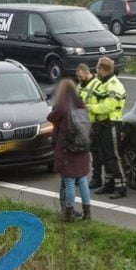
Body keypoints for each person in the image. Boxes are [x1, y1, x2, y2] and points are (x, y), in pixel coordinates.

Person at [47, 79, 91, 222]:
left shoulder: (62, 106)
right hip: (82, 147)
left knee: (69, 181)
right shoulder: (81, 104)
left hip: (68, 149)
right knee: (83, 180)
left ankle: (68, 213)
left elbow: (51, 117)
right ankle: (87, 213)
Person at [89, 57, 127, 199]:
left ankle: (121, 186)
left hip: (111, 123)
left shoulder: (114, 85)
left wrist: (89, 108)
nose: (96, 70)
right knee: (104, 156)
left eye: (98, 68)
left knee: (113, 157)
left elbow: (108, 106)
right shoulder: (102, 83)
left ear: (103, 69)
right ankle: (109, 184)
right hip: (101, 124)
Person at [76, 63, 103, 190]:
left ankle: (97, 178)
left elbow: (101, 104)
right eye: (78, 77)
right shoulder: (80, 85)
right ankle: (80, 176)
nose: (79, 79)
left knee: (96, 154)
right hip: (83, 124)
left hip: (95, 123)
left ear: (87, 73)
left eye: (81, 76)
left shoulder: (97, 84)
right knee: (83, 152)